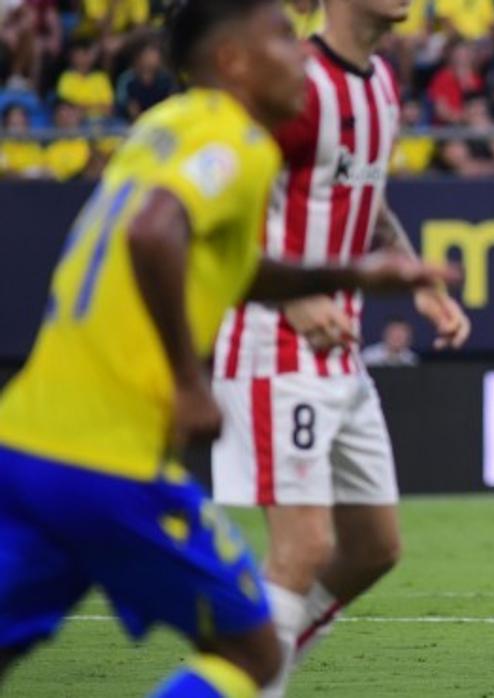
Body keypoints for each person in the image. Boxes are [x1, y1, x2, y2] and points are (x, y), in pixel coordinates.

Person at [0, 1, 456, 695]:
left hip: (27, 437)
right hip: (111, 462)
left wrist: (362, 274)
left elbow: (225, 259)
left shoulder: (166, 127)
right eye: (279, 38)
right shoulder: (234, 141)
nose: (296, 51)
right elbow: (154, 233)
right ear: (233, 61)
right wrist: (189, 382)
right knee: (253, 646)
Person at [209, 2, 472, 696]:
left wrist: (415, 277)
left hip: (340, 348)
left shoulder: (382, 82)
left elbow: (365, 196)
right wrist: (292, 294)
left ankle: (252, 664)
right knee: (305, 546)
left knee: (375, 547)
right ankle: (249, 678)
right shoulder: (295, 81)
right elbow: (226, 201)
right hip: (275, 340)